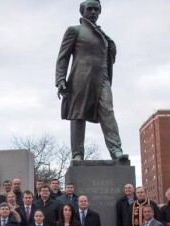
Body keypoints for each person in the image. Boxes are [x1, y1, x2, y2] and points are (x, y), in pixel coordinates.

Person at [56, 0, 126, 161]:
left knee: (108, 111)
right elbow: (63, 57)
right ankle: (77, 154)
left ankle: (116, 150)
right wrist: (60, 79)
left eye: (96, 9)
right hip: (80, 78)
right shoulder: (74, 31)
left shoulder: (102, 34)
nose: (93, 12)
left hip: (102, 79)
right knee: (78, 115)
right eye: (90, 9)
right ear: (82, 11)